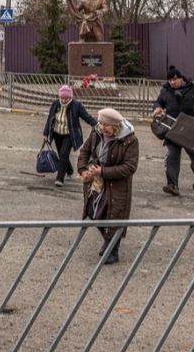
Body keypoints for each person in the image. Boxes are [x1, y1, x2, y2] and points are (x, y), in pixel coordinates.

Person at [77, 108, 138, 265]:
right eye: (101, 123)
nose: (103, 127)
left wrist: (103, 171)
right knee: (93, 212)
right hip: (97, 183)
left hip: (117, 186)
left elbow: (130, 167)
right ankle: (108, 242)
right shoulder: (95, 133)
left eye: (106, 125)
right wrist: (83, 170)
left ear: (116, 126)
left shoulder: (129, 140)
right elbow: (84, 152)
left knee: (114, 215)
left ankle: (113, 250)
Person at [154, 65, 194, 195]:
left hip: (190, 130)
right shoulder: (165, 91)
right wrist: (158, 107)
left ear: (181, 78)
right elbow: (158, 102)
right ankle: (172, 185)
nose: (172, 82)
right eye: (170, 80)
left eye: (174, 79)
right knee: (172, 156)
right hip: (173, 129)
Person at [43, 85, 97, 187]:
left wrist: (96, 125)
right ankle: (69, 170)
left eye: (66, 98)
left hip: (69, 135)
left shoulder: (76, 106)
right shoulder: (55, 104)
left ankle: (59, 179)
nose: (63, 100)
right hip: (56, 133)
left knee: (64, 154)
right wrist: (46, 133)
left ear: (70, 97)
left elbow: (86, 117)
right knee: (62, 155)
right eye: (62, 98)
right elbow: (50, 119)